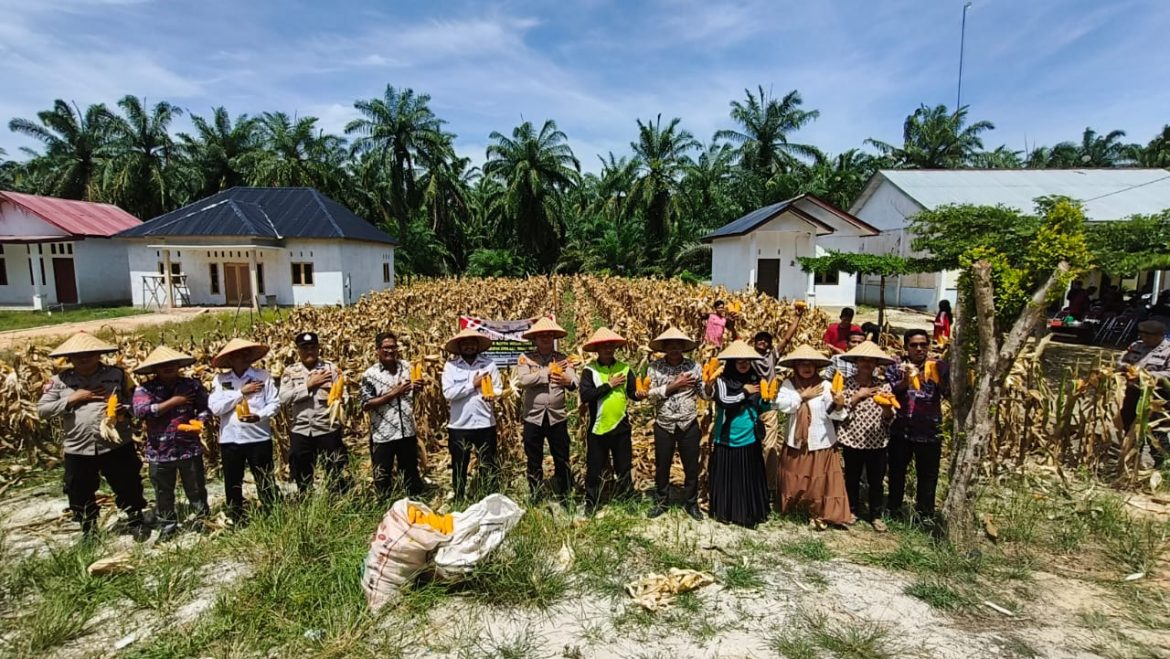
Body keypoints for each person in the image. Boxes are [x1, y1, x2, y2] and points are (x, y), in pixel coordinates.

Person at [37, 332, 148, 539]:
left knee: (127, 481)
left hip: (115, 442)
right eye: (78, 355)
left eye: (89, 353)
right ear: (69, 358)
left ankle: (136, 519)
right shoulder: (60, 381)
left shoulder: (118, 375)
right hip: (78, 445)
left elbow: (138, 402)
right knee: (78, 488)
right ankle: (88, 528)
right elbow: (42, 410)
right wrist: (73, 399)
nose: (84, 358)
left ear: (99, 354)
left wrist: (125, 410)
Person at [130, 345, 210, 540]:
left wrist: (200, 421)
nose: (168, 367)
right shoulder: (144, 389)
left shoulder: (192, 385)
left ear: (178, 365)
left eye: (172, 364)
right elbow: (141, 412)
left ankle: (204, 521)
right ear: (155, 369)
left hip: (188, 447)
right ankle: (168, 526)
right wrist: (175, 401)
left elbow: (205, 407)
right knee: (163, 492)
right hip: (159, 450)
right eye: (162, 365)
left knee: (196, 489)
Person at [773, 344, 851, 530]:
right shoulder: (788, 385)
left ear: (816, 367)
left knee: (819, 481)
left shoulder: (825, 385)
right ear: (796, 367)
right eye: (802, 364)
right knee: (795, 477)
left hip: (821, 440)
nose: (806, 368)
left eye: (810, 364)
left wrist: (839, 405)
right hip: (797, 441)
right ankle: (796, 509)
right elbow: (782, 406)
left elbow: (833, 412)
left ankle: (821, 514)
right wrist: (803, 396)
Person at [208, 338, 280, 522]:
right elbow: (215, 408)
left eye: (246, 353)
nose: (243, 357)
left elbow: (274, 403)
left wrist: (260, 416)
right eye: (239, 355)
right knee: (233, 481)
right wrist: (241, 393)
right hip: (231, 439)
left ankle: (272, 514)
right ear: (230, 359)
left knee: (265, 478)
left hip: (258, 437)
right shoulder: (221, 380)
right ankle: (236, 516)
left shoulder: (263, 376)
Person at [706, 340, 772, 527]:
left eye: (747, 361)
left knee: (747, 476)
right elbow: (724, 400)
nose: (743, 364)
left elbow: (761, 406)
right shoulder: (722, 381)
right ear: (732, 363)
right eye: (739, 361)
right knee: (729, 476)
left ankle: (748, 513)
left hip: (749, 434)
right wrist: (744, 391)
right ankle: (726, 512)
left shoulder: (756, 379)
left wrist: (766, 400)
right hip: (727, 436)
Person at [886, 329, 950, 521]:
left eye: (923, 344)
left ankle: (924, 514)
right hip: (901, 429)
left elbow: (948, 392)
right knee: (897, 472)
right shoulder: (896, 367)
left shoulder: (938, 366)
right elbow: (890, 392)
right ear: (906, 347)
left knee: (928, 475)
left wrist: (942, 377)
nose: (919, 348)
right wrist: (907, 380)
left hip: (929, 431)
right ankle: (894, 510)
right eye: (914, 345)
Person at [643, 327, 706, 520]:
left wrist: (711, 384)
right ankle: (662, 501)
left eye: (678, 346)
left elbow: (704, 393)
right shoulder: (654, 368)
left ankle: (691, 503)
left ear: (683, 348)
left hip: (689, 423)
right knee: (663, 464)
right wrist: (673, 386)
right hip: (664, 423)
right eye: (670, 346)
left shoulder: (694, 367)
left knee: (691, 466)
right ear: (664, 348)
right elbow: (650, 396)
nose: (674, 349)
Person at [835, 341, 896, 533]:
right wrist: (857, 397)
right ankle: (852, 510)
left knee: (876, 480)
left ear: (876, 364)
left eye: (871, 361)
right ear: (856, 362)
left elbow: (890, 416)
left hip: (877, 440)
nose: (867, 364)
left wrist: (887, 409)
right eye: (863, 360)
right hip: (852, 438)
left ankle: (876, 515)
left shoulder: (884, 385)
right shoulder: (846, 383)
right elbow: (838, 411)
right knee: (851, 478)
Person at [515, 317, 578, 502]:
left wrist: (568, 381)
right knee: (534, 457)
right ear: (535, 338)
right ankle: (535, 493)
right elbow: (523, 380)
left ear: (554, 338)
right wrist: (547, 373)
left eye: (549, 335)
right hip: (533, 417)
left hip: (557, 417)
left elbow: (575, 381)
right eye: (541, 336)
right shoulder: (526, 358)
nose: (545, 338)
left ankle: (565, 492)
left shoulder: (563, 359)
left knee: (561, 455)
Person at [578, 327, 639, 513]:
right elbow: (586, 395)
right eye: (604, 346)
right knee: (594, 468)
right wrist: (609, 385)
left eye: (611, 346)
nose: (608, 349)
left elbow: (632, 394)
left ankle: (626, 499)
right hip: (598, 428)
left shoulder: (625, 368)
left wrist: (640, 394)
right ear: (597, 349)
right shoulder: (590, 371)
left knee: (623, 466)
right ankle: (591, 503)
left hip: (621, 426)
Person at [280, 332, 348, 493]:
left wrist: (335, 395)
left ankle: (336, 502)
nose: (309, 351)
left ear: (318, 348)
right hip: (301, 429)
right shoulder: (291, 372)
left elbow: (344, 396)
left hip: (327, 427)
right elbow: (283, 398)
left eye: (312, 347)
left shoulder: (331, 369)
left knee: (335, 469)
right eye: (304, 348)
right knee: (301, 472)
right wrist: (308, 385)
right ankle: (305, 500)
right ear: (298, 350)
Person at [752, 307, 807, 506]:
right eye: (759, 339)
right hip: (749, 405)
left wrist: (797, 318)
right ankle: (751, 483)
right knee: (750, 446)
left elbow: (786, 339)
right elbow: (736, 340)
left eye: (766, 340)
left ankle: (770, 487)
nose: (763, 342)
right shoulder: (747, 357)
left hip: (769, 405)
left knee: (769, 446)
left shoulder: (771, 357)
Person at [441, 327, 502, 501]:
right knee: (460, 465)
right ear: (460, 346)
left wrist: (493, 394)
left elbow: (498, 388)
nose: (469, 346)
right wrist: (472, 384)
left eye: (472, 343)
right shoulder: (451, 366)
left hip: (485, 423)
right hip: (460, 425)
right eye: (465, 343)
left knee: (488, 464)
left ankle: (488, 497)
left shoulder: (489, 364)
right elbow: (448, 393)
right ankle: (459, 498)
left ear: (477, 345)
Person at [360, 331, 423, 498]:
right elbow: (366, 404)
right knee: (382, 474)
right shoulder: (370, 375)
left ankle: (414, 503)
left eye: (393, 347)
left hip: (407, 430)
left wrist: (417, 388)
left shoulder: (407, 367)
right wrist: (393, 393)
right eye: (386, 347)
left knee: (410, 471)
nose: (390, 351)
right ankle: (383, 505)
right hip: (383, 433)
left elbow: (413, 394)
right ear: (377, 350)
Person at [1118, 320, 1170, 468]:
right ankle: (1132, 461)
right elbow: (1120, 362)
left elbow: (1168, 373)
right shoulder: (1136, 346)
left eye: (1149, 336)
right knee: (1129, 425)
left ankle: (1163, 464)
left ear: (1160, 336)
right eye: (1143, 335)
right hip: (1133, 393)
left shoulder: (1168, 351)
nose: (1145, 339)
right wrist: (1127, 368)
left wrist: (1146, 375)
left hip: (1158, 397)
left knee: (1155, 431)